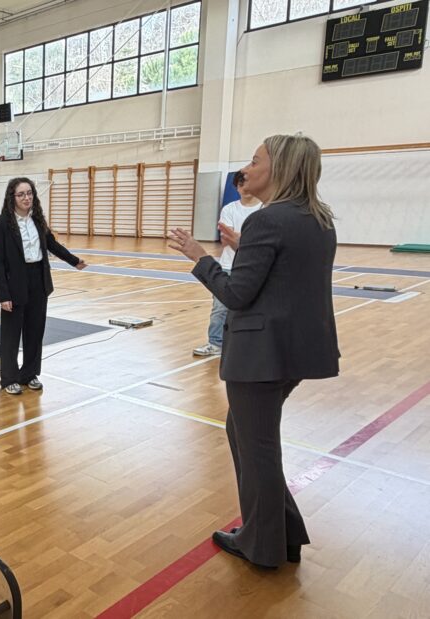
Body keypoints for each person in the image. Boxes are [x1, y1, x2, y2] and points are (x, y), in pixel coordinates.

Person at [169, 133, 340, 568]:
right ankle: (285, 534)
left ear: (278, 169)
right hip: (296, 351)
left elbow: (236, 294)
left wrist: (200, 257)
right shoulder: (318, 219)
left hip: (261, 355)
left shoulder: (268, 220)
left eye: (255, 161)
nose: (246, 169)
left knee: (257, 448)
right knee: (244, 434)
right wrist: (243, 248)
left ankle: (261, 545)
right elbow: (285, 274)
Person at [0, 177, 87, 395]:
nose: (27, 198)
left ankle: (29, 374)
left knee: (35, 331)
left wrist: (74, 261)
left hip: (39, 280)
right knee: (11, 335)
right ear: (12, 198)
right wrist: (3, 294)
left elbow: (52, 244)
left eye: (29, 193)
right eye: (21, 194)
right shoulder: (1, 224)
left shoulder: (37, 220)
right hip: (15, 283)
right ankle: (9, 378)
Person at [192, 171, 262, 357]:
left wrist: (241, 239)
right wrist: (243, 239)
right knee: (220, 308)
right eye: (240, 184)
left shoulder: (264, 209)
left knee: (254, 308)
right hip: (228, 266)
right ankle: (215, 343)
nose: (244, 188)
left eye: (247, 183)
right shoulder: (230, 209)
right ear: (236, 187)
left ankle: (249, 345)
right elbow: (227, 239)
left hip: (253, 267)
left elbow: (260, 241)